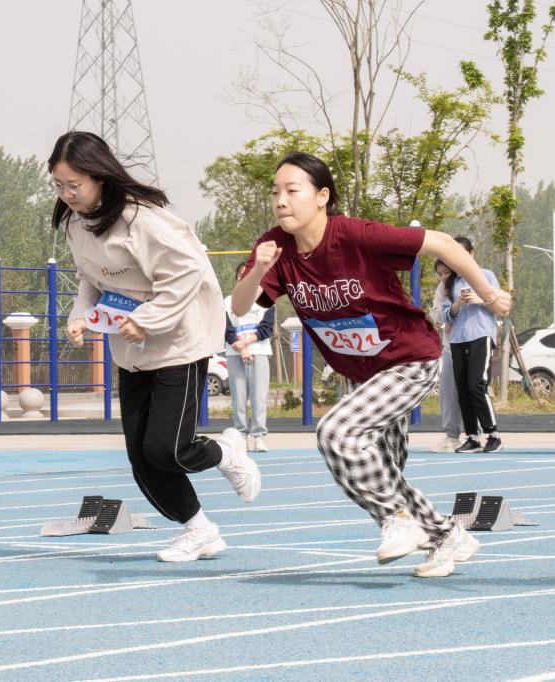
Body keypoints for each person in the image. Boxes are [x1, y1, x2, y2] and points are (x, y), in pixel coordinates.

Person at [231, 151, 511, 578]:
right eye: (275, 192)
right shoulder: (274, 247)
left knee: (336, 433)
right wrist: (259, 270)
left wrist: (489, 295)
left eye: (292, 190)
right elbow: (240, 305)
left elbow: (442, 243)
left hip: (409, 358)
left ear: (322, 196)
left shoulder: (355, 234)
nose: (280, 200)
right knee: (379, 468)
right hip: (363, 374)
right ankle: (446, 536)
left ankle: (396, 520)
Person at [51, 131, 261, 563]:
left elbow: (189, 272)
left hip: (179, 341)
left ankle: (227, 452)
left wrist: (147, 319)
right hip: (131, 348)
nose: (67, 194)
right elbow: (91, 276)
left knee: (168, 448)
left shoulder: (142, 220)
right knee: (141, 457)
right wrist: (80, 316)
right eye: (59, 185)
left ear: (100, 177)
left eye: (75, 185)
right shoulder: (74, 222)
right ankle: (199, 530)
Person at [442, 237, 504, 454]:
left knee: (476, 384)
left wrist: (481, 300)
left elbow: (501, 305)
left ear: (471, 254)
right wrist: (457, 304)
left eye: (462, 253)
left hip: (481, 334)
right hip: (458, 338)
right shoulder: (451, 282)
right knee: (462, 388)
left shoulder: (486, 276)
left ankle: (493, 435)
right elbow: (446, 314)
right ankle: (472, 437)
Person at [224, 261, 277, 452]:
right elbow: (227, 329)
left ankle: (258, 436)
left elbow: (267, 328)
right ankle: (241, 435)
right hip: (235, 352)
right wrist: (241, 348)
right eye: (240, 274)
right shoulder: (228, 301)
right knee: (238, 397)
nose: (243, 277)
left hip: (259, 351)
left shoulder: (267, 300)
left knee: (258, 397)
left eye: (247, 273)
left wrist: (247, 342)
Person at [429, 259, 467, 452]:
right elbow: (436, 314)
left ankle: (476, 433)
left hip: (471, 344)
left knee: (472, 390)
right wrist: (452, 308)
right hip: (450, 346)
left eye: (447, 272)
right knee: (448, 392)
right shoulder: (442, 289)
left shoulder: (470, 282)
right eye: (440, 273)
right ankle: (452, 435)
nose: (443, 277)